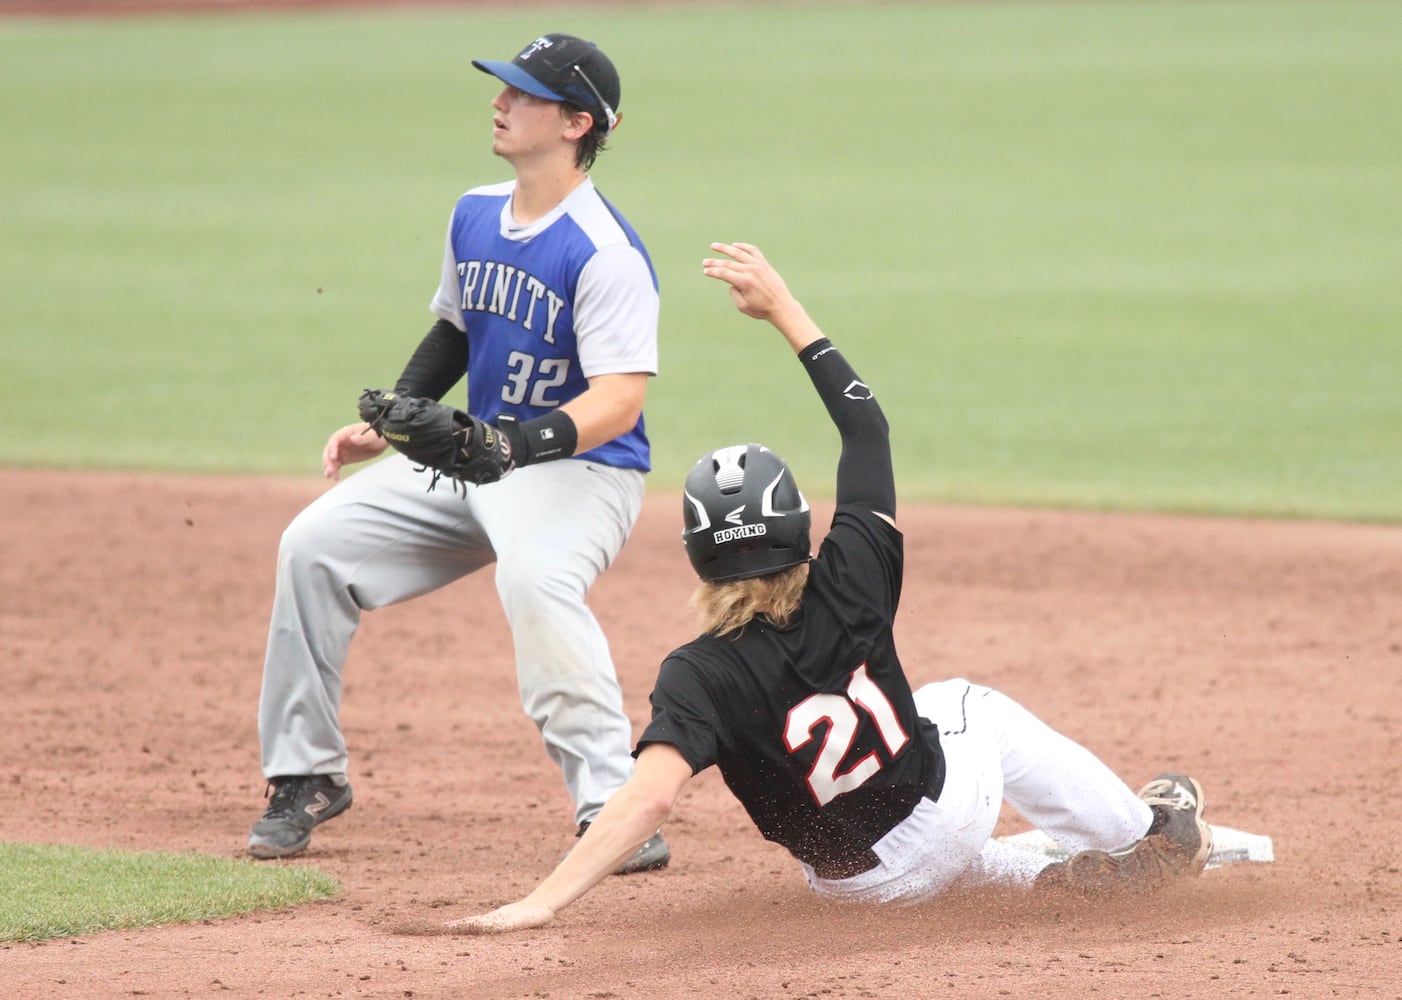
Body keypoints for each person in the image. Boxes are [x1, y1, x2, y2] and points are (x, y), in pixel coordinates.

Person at [445, 241, 1214, 934]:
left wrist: (539, 901)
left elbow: (646, 798)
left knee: (932, 763)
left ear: (697, 553)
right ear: (796, 526)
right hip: (942, 823)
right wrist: (784, 310)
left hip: (865, 892)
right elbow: (866, 431)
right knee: (968, 705)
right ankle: (1145, 836)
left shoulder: (696, 674)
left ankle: (1058, 881)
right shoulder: (850, 575)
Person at [246, 32, 669, 874]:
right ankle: (306, 774)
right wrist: (398, 420)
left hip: (581, 472)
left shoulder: (604, 251)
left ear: (577, 122)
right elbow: (456, 327)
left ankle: (615, 809)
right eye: (502, 88)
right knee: (313, 547)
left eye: (522, 93)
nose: (499, 102)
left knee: (536, 580)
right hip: (476, 460)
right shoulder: (475, 210)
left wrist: (510, 444)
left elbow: (622, 400)